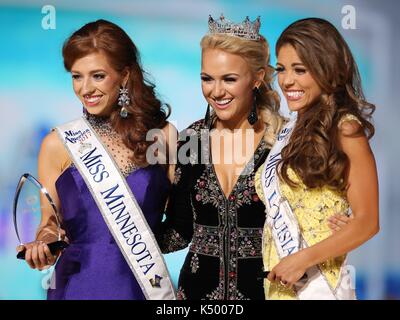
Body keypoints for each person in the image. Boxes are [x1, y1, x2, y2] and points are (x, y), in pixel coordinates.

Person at [16, 19, 176, 300]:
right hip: (75, 288)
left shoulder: (162, 136)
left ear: (125, 75)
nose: (85, 88)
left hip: (143, 287)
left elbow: (181, 220)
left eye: (98, 76)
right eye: (77, 76)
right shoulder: (58, 143)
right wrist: (44, 242)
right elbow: (50, 222)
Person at [158, 14, 285, 300]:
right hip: (195, 293)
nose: (216, 91)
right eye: (207, 78)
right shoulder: (192, 139)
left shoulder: (283, 142)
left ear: (257, 79)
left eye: (229, 79)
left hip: (268, 292)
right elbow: (179, 231)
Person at [255, 17, 379, 299]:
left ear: (327, 70)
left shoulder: (345, 128)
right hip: (279, 283)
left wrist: (300, 260)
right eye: (282, 69)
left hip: (318, 285)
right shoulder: (291, 128)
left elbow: (368, 221)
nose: (287, 80)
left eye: (300, 70)